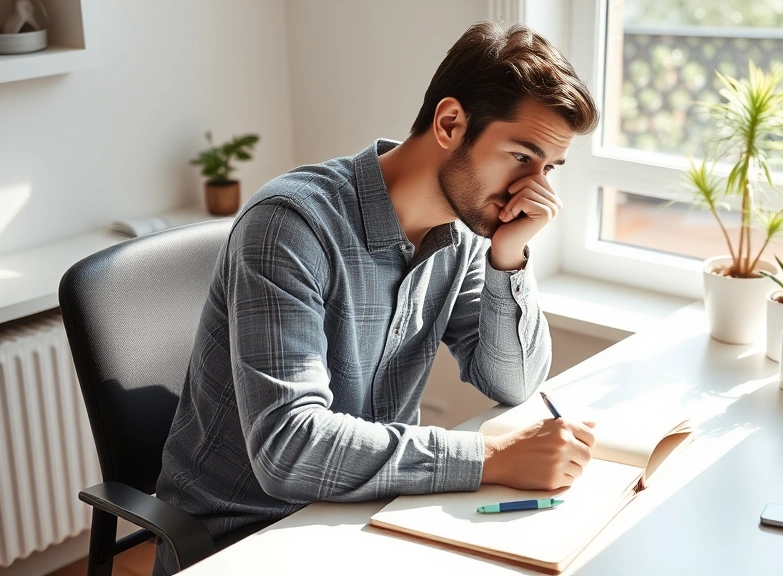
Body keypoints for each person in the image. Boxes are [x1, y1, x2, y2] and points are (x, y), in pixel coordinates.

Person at [153, 20, 600, 575]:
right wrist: (490, 458)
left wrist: (508, 259)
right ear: (450, 122)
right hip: (247, 536)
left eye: (549, 168)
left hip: (368, 515)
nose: (536, 191)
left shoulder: (460, 235)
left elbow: (513, 381)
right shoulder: (292, 225)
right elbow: (288, 448)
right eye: (520, 157)